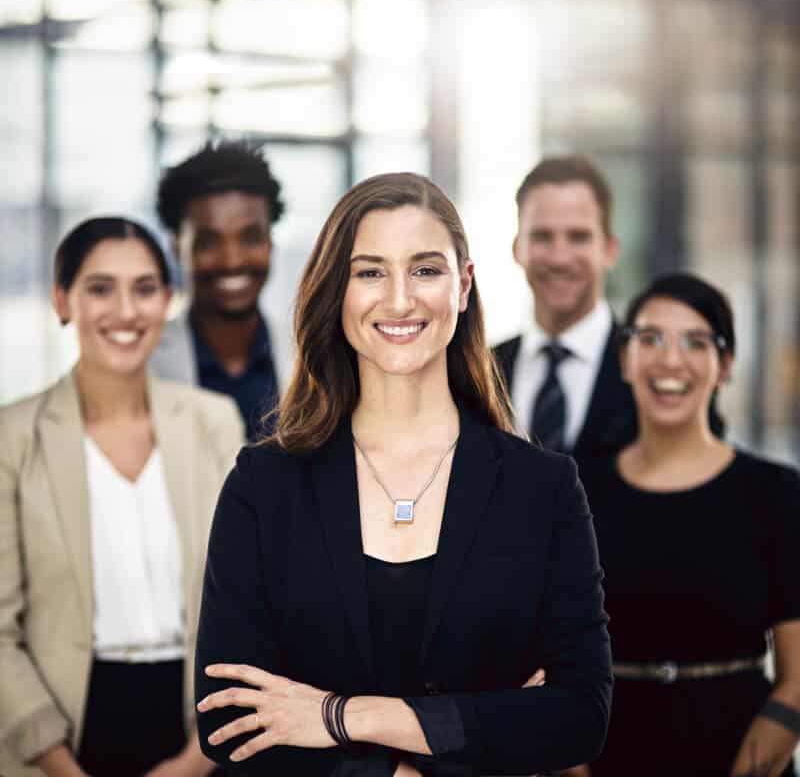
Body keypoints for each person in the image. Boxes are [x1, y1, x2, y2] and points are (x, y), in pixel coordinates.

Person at [193, 172, 612, 776]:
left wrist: (339, 716)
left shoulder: (541, 488)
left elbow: (578, 716)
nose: (398, 300)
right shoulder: (265, 485)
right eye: (370, 272)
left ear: (463, 285)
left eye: (425, 270)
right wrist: (437, 752)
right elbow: (228, 720)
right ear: (338, 291)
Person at [0, 217, 243, 777]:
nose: (127, 312)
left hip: (198, 725)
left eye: (145, 288)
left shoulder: (214, 423)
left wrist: (194, 761)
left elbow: (251, 606)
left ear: (169, 300)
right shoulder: (14, 438)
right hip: (56, 737)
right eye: (100, 288)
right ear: (63, 300)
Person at [577, 273, 800, 776]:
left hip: (741, 757)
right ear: (625, 360)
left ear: (725, 366)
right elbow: (544, 660)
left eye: (696, 342)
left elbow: (798, 678)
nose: (670, 360)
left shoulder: (775, 493)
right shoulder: (573, 491)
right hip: (605, 759)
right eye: (650, 338)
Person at [493, 155, 637, 459]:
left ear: (609, 250)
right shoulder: (478, 372)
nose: (560, 258)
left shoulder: (649, 369)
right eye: (543, 237)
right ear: (518, 248)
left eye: (578, 237)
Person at [151, 140, 290, 440]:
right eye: (209, 242)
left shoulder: (317, 356)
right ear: (177, 248)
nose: (233, 260)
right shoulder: (145, 362)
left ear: (270, 242)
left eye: (251, 238)